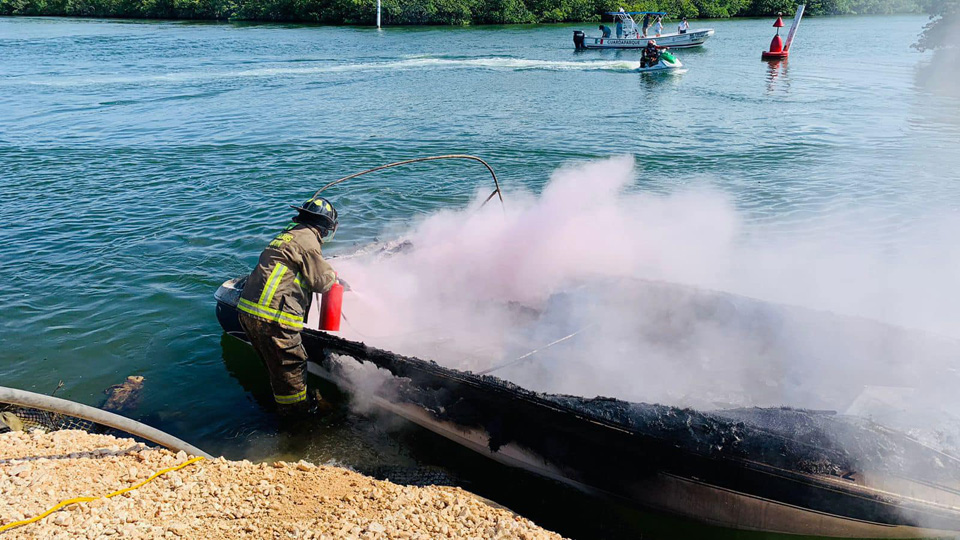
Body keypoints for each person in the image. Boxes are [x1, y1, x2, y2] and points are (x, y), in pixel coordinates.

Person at [238, 197, 340, 415]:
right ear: (324, 227)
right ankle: (296, 429)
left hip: (247, 312)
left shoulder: (287, 235)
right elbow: (321, 282)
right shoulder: (308, 242)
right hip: (273, 319)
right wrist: (335, 278)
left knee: (277, 372)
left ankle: (278, 404)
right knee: (291, 373)